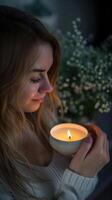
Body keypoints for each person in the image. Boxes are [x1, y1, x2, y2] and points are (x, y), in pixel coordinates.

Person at [0, 5, 110, 200]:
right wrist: (79, 180)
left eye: (48, 73)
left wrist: (86, 160)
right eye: (35, 78)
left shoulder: (41, 116)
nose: (49, 88)